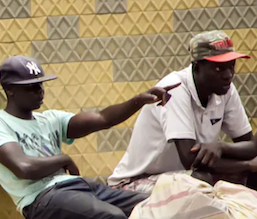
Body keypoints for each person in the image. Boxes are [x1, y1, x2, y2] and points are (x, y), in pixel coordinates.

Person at [0, 55, 175, 219]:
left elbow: (103, 119)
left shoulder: (50, 119)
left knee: (155, 205)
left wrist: (138, 101)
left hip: (80, 188)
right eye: (31, 87)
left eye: (41, 84)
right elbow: (24, 168)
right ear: (10, 89)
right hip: (41, 201)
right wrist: (63, 159)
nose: (40, 91)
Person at [109, 31, 255, 194]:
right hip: (135, 183)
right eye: (218, 68)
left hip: (182, 177)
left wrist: (221, 146)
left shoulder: (225, 89)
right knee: (201, 180)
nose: (228, 75)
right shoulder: (174, 88)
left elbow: (251, 145)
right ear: (197, 67)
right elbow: (191, 160)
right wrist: (247, 165)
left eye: (231, 66)